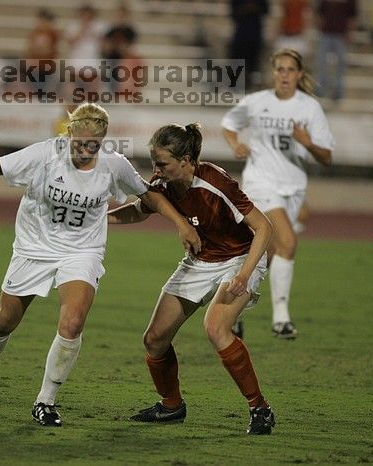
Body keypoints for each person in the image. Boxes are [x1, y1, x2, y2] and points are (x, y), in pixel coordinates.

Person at [0, 103, 201, 427]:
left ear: (103, 140)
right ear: (68, 133)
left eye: (93, 145)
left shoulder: (113, 165)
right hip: (34, 247)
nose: (85, 151)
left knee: (72, 324)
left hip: (82, 252)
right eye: (79, 142)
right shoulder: (44, 155)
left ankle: (45, 401)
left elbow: (149, 196)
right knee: (4, 321)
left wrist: (181, 223)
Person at [107, 123, 275, 434]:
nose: (155, 170)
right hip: (199, 262)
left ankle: (259, 408)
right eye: (154, 163)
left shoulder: (214, 180)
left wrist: (244, 274)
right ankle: (171, 407)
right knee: (154, 340)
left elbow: (263, 227)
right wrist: (99, 221)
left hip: (237, 259)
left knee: (215, 328)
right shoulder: (165, 185)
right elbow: (139, 211)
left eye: (162, 163)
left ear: (185, 160)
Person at [221, 48, 334, 339]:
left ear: (299, 74)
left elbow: (326, 157)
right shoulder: (257, 102)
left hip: (293, 188)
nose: (284, 75)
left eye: (289, 70)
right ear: (274, 73)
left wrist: (307, 143)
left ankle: (232, 311)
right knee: (287, 241)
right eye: (279, 69)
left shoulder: (309, 108)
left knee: (265, 255)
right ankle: (281, 319)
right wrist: (235, 144)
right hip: (260, 184)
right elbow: (229, 125)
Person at [314, 0, 358, 104]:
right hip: (326, 33)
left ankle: (338, 90)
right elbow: (319, 13)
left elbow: (352, 16)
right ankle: (321, 87)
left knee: (341, 64)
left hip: (341, 34)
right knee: (321, 62)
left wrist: (350, 32)